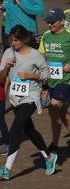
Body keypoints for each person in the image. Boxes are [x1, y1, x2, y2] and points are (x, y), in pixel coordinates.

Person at [0, 27, 59, 179]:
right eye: (11, 40)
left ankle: (7, 168)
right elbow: (1, 78)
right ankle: (48, 157)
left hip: (32, 97)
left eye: (16, 40)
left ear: (24, 39)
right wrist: (7, 66)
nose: (12, 43)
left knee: (15, 130)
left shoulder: (35, 55)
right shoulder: (8, 53)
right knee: (30, 131)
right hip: (16, 98)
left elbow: (46, 74)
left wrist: (30, 75)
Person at [39, 8, 70, 154]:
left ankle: (54, 145)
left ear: (62, 21)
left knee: (54, 107)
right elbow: (42, 57)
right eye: (48, 22)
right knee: (60, 111)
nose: (49, 25)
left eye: (52, 22)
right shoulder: (46, 36)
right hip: (50, 80)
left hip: (67, 79)